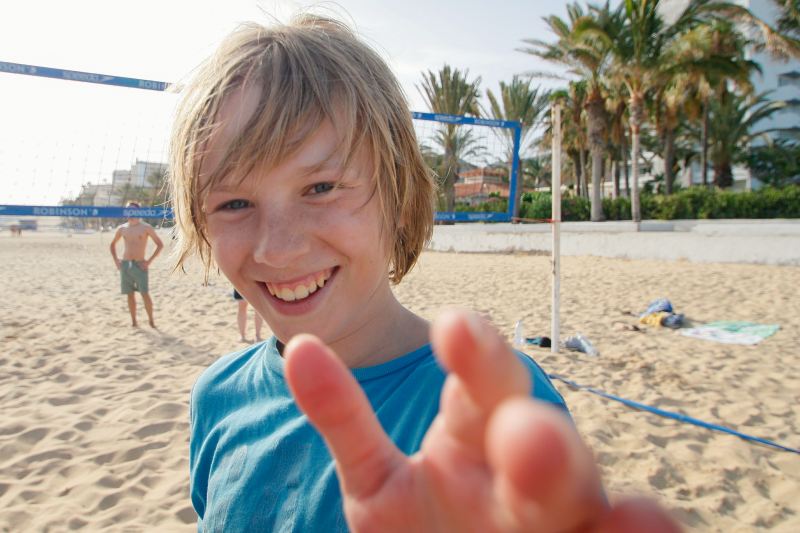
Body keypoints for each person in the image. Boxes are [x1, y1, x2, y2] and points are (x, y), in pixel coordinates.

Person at [169, 15, 679, 533]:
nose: (276, 249)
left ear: (400, 195)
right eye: (234, 202)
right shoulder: (216, 396)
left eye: (321, 187)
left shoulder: (494, 410)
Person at [110, 202, 164, 327]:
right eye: (129, 211)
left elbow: (160, 244)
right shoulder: (122, 228)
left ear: (139, 212)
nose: (131, 214)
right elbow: (112, 245)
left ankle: (151, 321)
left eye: (133, 211)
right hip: (125, 265)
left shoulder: (146, 228)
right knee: (130, 295)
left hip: (140, 265)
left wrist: (149, 261)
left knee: (145, 293)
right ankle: (134, 322)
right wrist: (116, 261)